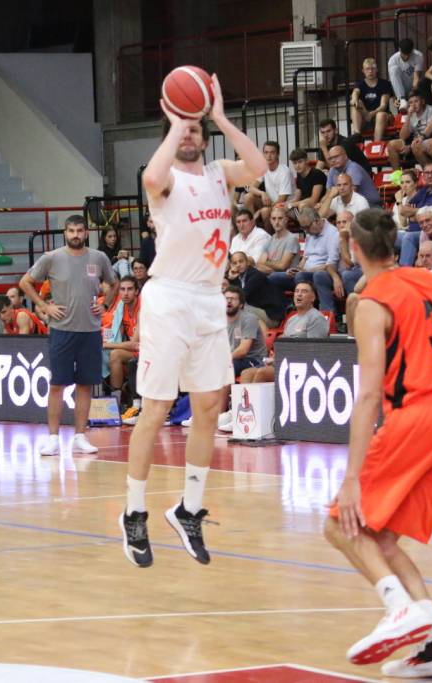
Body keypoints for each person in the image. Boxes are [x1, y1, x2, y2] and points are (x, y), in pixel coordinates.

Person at [325, 207, 432, 679]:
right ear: (398, 245)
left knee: (340, 525)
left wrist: (352, 478)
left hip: (417, 416)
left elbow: (370, 394)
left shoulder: (373, 301)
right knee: (384, 539)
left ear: (354, 249)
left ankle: (399, 608)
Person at [120, 73, 266, 568]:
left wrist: (219, 117)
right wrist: (177, 120)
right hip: (168, 299)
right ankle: (134, 513)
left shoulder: (219, 173)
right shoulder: (164, 180)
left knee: (209, 406)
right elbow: (150, 179)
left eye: (196, 130)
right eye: (184, 129)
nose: (190, 135)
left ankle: (189, 508)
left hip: (207, 298)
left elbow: (261, 165)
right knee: (156, 408)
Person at [20, 214, 116, 457]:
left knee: (85, 385)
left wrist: (105, 306)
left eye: (80, 231)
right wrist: (43, 306)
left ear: (86, 233)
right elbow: (25, 282)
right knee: (57, 384)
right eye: (71, 231)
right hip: (61, 331)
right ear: (65, 233)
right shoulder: (51, 258)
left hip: (91, 331)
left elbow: (113, 284)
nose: (76, 235)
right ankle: (52, 438)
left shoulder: (99, 257)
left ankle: (80, 437)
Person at [239, 281, 329, 384]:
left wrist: (283, 357)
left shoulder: (316, 318)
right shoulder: (291, 319)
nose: (299, 294)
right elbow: (283, 345)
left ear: (313, 298)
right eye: (296, 291)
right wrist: (275, 357)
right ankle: (246, 400)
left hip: (302, 364)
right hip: (284, 361)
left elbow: (314, 350)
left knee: (262, 373)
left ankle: (259, 400)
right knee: (246, 373)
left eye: (304, 291)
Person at [269, 207, 341, 312]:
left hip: (323, 274)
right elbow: (305, 258)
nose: (306, 231)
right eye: (303, 228)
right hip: (305, 273)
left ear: (316, 221)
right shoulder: (310, 232)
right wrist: (296, 268)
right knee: (274, 277)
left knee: (310, 275)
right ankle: (285, 309)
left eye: (307, 227)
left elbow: (331, 264)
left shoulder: (333, 234)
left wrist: (305, 271)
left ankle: (324, 312)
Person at [103, 276, 140, 395]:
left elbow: (134, 344)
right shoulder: (121, 307)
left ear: (136, 292)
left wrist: (107, 344)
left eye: (129, 289)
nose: (125, 293)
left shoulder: (143, 309)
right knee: (99, 352)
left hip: (148, 350)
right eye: (122, 289)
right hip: (135, 349)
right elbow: (116, 334)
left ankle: (116, 398)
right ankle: (110, 396)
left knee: (115, 354)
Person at [228, 250, 286, 327]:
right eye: (235, 263)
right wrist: (230, 279)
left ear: (247, 262)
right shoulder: (239, 277)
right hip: (256, 313)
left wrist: (232, 280)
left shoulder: (255, 275)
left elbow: (241, 296)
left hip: (271, 317)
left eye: (241, 261)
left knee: (239, 307)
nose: (238, 265)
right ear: (231, 265)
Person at [243, 141, 292, 229]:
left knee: (265, 211)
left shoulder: (284, 171)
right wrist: (262, 193)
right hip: (270, 204)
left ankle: (268, 238)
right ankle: (252, 229)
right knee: (248, 197)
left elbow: (282, 200)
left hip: (284, 206)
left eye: (272, 153)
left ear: (278, 154)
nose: (269, 156)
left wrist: (261, 210)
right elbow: (250, 187)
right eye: (266, 152)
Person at [224, 284, 267, 377]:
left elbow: (243, 351)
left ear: (241, 304)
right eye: (226, 298)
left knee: (224, 368)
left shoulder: (249, 319)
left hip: (253, 360)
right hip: (232, 359)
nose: (229, 301)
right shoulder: (220, 321)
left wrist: (223, 359)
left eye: (233, 299)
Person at [386, 92, 432, 170]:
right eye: (411, 103)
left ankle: (429, 172)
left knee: (415, 146)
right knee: (391, 144)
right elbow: (402, 136)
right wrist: (408, 115)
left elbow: (430, 131)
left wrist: (410, 147)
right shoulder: (412, 115)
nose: (413, 105)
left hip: (428, 140)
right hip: (414, 142)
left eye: (416, 101)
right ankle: (398, 176)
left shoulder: (430, 109)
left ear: (422, 101)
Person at [351, 58, 393, 141]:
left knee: (381, 115)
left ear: (377, 70)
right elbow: (355, 92)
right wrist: (354, 99)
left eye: (373, 68)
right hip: (365, 118)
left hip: (381, 116)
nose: (370, 71)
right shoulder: (360, 84)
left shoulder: (385, 84)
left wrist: (370, 115)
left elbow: (383, 106)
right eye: (367, 69)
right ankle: (357, 136)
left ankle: (376, 143)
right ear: (363, 71)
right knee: (355, 104)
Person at [255, 205, 299, 276]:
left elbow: (282, 266)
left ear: (286, 219)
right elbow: (259, 263)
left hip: (286, 276)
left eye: (280, 218)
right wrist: (272, 269)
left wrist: (266, 262)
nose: (277, 222)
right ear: (270, 221)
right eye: (274, 219)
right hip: (271, 275)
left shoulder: (292, 239)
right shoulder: (270, 239)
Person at [387, 39, 425, 108]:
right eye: (404, 54)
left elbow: (417, 77)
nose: (406, 57)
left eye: (409, 54)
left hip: (413, 87)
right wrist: (395, 99)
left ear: (412, 50)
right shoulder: (393, 60)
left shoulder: (418, 56)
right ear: (399, 50)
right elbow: (393, 82)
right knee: (394, 69)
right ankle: (402, 100)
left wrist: (413, 96)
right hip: (400, 89)